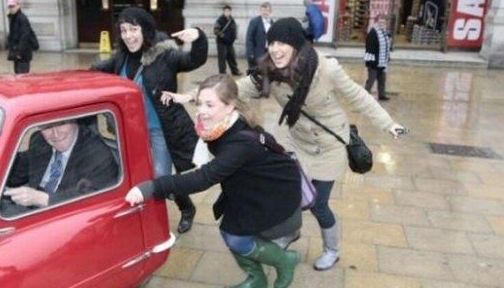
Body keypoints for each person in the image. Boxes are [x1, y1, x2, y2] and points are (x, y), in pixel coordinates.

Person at [164, 18, 405, 272]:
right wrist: (192, 97)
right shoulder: (270, 71)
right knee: (292, 193)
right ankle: (291, 232)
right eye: (271, 43)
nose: (275, 49)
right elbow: (233, 90)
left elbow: (358, 97)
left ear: (297, 45)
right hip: (298, 142)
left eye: (282, 43)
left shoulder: (326, 69)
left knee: (318, 203)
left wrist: (389, 123)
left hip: (329, 144)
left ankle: (332, 250)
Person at [127, 74, 302, 288]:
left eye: (210, 104)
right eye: (200, 103)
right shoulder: (218, 127)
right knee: (230, 230)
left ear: (230, 107)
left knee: (235, 236)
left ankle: (284, 260)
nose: (201, 110)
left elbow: (202, 178)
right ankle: (257, 277)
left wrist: (150, 188)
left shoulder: (238, 141)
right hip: (248, 186)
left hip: (274, 191)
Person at [92, 7, 207, 234]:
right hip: (131, 130)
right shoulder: (122, 57)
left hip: (159, 129)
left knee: (161, 176)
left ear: (145, 29)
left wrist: (199, 37)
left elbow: (194, 59)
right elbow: (98, 70)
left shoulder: (165, 55)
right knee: (134, 174)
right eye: (124, 30)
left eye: (133, 29)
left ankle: (186, 208)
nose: (128, 35)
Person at [2, 119, 118, 213]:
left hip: (65, 219)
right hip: (30, 211)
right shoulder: (39, 140)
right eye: (47, 127)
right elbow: (18, 171)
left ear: (74, 119)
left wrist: (39, 198)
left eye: (61, 124)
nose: (55, 134)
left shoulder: (98, 155)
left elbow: (91, 200)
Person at [6, 0, 38, 74]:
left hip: (22, 54)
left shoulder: (22, 18)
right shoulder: (13, 18)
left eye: (13, 6)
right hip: (17, 53)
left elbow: (25, 36)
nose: (11, 8)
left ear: (18, 5)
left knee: (22, 77)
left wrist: (19, 52)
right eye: (9, 6)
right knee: (18, 75)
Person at [364, 13, 393, 101]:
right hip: (374, 61)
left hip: (382, 61)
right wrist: (371, 61)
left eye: (384, 22)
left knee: (382, 79)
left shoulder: (385, 33)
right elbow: (369, 47)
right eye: (380, 22)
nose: (382, 24)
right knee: (371, 80)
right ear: (376, 22)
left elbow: (388, 46)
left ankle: (382, 95)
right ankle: (364, 96)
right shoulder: (373, 32)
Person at [245, 2, 273, 74]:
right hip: (257, 52)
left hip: (268, 52)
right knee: (255, 72)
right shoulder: (254, 22)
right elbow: (249, 39)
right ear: (260, 11)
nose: (265, 12)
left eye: (267, 10)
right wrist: (250, 53)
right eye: (263, 10)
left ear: (270, 12)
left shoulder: (272, 23)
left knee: (266, 71)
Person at [214, 5, 240, 75]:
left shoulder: (232, 20)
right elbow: (216, 31)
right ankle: (222, 73)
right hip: (221, 43)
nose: (227, 12)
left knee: (232, 57)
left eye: (228, 11)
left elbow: (234, 29)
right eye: (225, 11)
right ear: (223, 12)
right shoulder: (220, 20)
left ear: (230, 12)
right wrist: (223, 37)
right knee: (222, 58)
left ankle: (235, 71)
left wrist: (234, 37)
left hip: (230, 43)